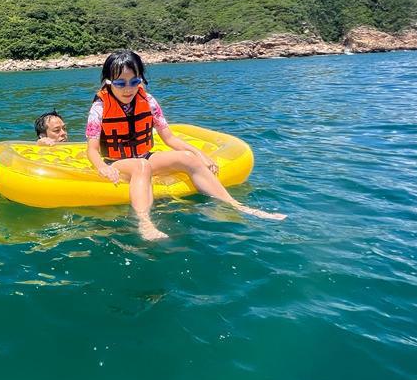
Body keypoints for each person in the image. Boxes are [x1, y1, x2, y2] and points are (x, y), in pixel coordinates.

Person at [85, 49, 285, 240]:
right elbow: (92, 150)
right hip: (117, 162)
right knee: (141, 166)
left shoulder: (149, 101)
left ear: (141, 80)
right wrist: (102, 167)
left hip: (144, 155)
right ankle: (144, 223)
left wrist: (199, 154)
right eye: (120, 83)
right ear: (109, 82)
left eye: (134, 81)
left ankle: (235, 205)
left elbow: (169, 138)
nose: (128, 88)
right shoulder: (99, 108)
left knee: (187, 158)